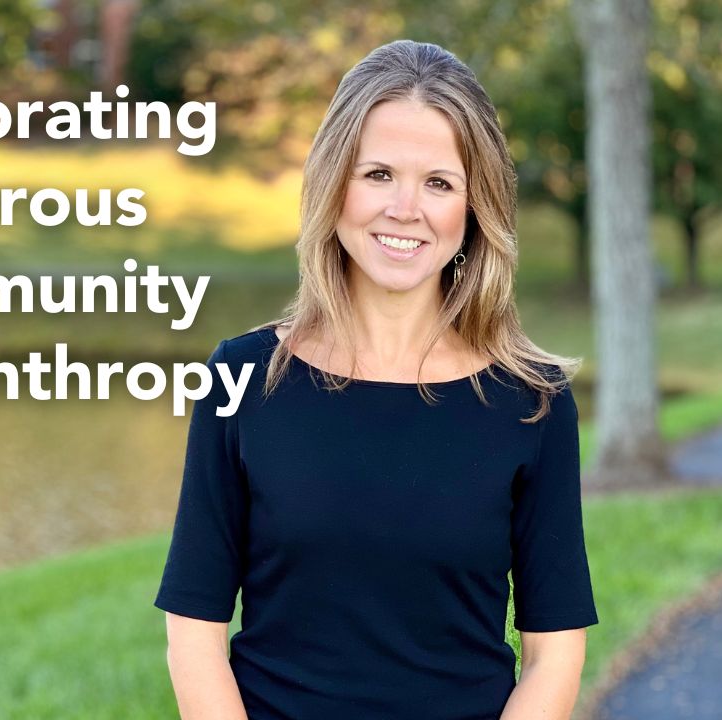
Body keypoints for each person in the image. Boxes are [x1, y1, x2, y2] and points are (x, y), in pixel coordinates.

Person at [153, 39, 599, 720]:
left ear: (474, 209)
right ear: (335, 186)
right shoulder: (241, 380)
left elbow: (554, 654)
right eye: (379, 174)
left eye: (440, 183)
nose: (405, 208)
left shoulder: (532, 403)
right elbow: (193, 636)